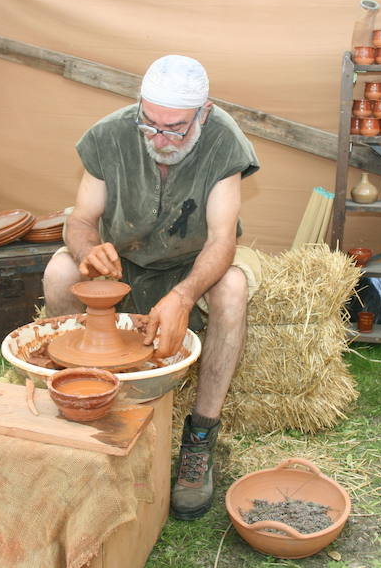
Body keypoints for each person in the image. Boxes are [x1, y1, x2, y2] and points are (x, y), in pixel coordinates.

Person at [42, 54, 261, 520]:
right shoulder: (109, 134)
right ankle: (73, 403)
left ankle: (200, 437)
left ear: (203, 112)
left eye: (175, 128)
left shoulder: (224, 140)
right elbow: (80, 220)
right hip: (120, 262)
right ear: (140, 106)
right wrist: (88, 252)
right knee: (59, 273)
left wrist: (183, 296)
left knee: (233, 289)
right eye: (150, 123)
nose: (160, 138)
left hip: (191, 264)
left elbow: (223, 240)